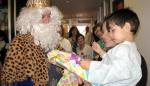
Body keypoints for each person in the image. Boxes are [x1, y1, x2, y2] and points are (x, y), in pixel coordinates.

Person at [1, 0, 62, 85]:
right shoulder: (20, 40)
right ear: (31, 18)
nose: (47, 20)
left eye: (49, 16)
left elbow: (64, 61)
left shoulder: (54, 40)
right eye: (43, 16)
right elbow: (10, 73)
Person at [80, 8, 142, 86]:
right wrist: (101, 52)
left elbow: (115, 71)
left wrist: (91, 66)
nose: (111, 35)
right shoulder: (128, 49)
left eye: (112, 30)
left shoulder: (125, 49)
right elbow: (112, 61)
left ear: (127, 27)